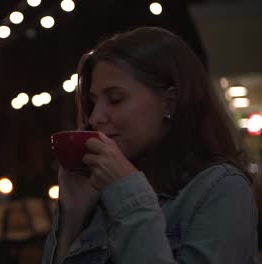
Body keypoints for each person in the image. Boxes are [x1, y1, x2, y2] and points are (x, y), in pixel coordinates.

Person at [43, 27, 258, 264]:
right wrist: (73, 215)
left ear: (169, 103)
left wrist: (130, 197)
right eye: (93, 102)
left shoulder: (220, 188)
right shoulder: (102, 191)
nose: (95, 118)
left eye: (115, 99)